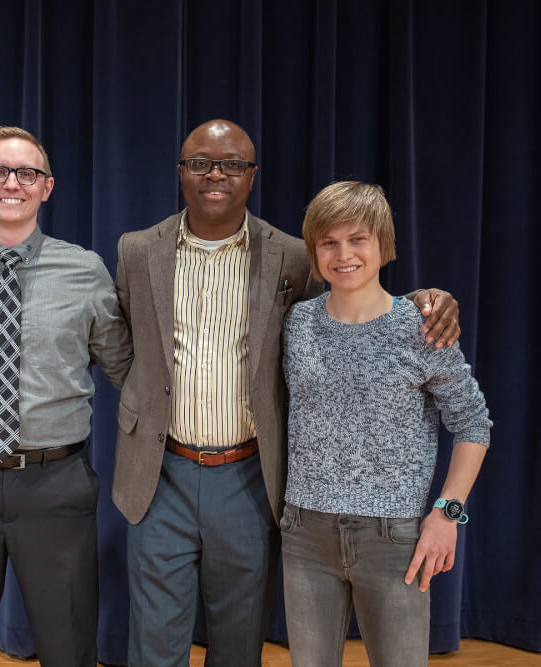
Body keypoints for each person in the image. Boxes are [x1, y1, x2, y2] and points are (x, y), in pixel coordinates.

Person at [112, 119, 462, 666]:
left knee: (238, 640)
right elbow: (124, 344)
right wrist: (141, 399)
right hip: (158, 472)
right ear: (181, 172)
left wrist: (425, 300)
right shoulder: (137, 251)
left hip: (248, 474)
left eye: (232, 164)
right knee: (153, 646)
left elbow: (353, 298)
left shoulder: (291, 256)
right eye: (200, 162)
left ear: (251, 176)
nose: (215, 174)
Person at [0, 126, 132, 667]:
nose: (11, 183)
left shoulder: (85, 270)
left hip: (55, 486)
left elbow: (124, 369)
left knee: (68, 646)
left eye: (27, 173)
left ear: (47, 187)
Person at [279, 181, 491, 666]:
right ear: (314, 252)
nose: (343, 254)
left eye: (358, 239)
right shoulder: (297, 323)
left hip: (394, 537)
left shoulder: (423, 326)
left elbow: (474, 424)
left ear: (383, 246)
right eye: (329, 242)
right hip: (305, 531)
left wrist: (448, 512)